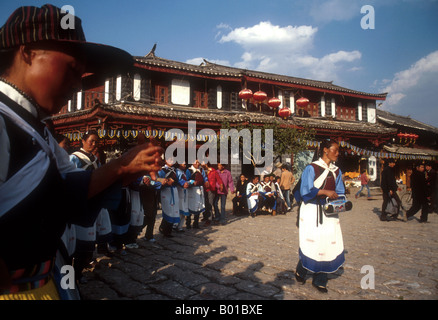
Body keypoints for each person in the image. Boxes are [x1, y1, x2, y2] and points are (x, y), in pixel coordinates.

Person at [0, 4, 163, 300]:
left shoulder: (39, 129)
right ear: (28, 52)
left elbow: (68, 190)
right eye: (72, 69)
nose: (78, 86)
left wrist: (123, 167)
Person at [294, 140, 346, 293]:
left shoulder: (337, 171)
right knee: (312, 243)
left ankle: (320, 279)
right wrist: (324, 192)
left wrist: (340, 200)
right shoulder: (312, 168)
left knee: (327, 244)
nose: (337, 153)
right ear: (325, 150)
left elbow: (340, 191)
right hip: (311, 210)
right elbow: (305, 190)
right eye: (335, 150)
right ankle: (301, 270)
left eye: (338, 150)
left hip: (329, 211)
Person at [157, 158, 181, 237]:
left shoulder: (175, 170)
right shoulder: (162, 170)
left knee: (173, 210)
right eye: (169, 159)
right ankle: (165, 230)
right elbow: (159, 181)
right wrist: (167, 181)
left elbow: (179, 180)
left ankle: (169, 230)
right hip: (166, 191)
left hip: (174, 190)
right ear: (166, 161)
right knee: (168, 210)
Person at [186, 160, 209, 229]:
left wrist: (206, 181)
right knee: (190, 206)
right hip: (192, 190)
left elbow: (204, 178)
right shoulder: (189, 171)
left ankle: (196, 223)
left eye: (198, 162)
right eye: (196, 162)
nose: (197, 164)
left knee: (198, 206)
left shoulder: (201, 170)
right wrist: (192, 182)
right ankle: (188, 223)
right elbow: (186, 180)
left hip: (200, 189)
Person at [202, 162, 223, 226]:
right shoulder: (201, 171)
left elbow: (218, 179)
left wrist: (221, 185)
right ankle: (207, 216)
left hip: (211, 190)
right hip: (203, 189)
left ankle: (209, 219)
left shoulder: (213, 171)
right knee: (205, 204)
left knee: (210, 204)